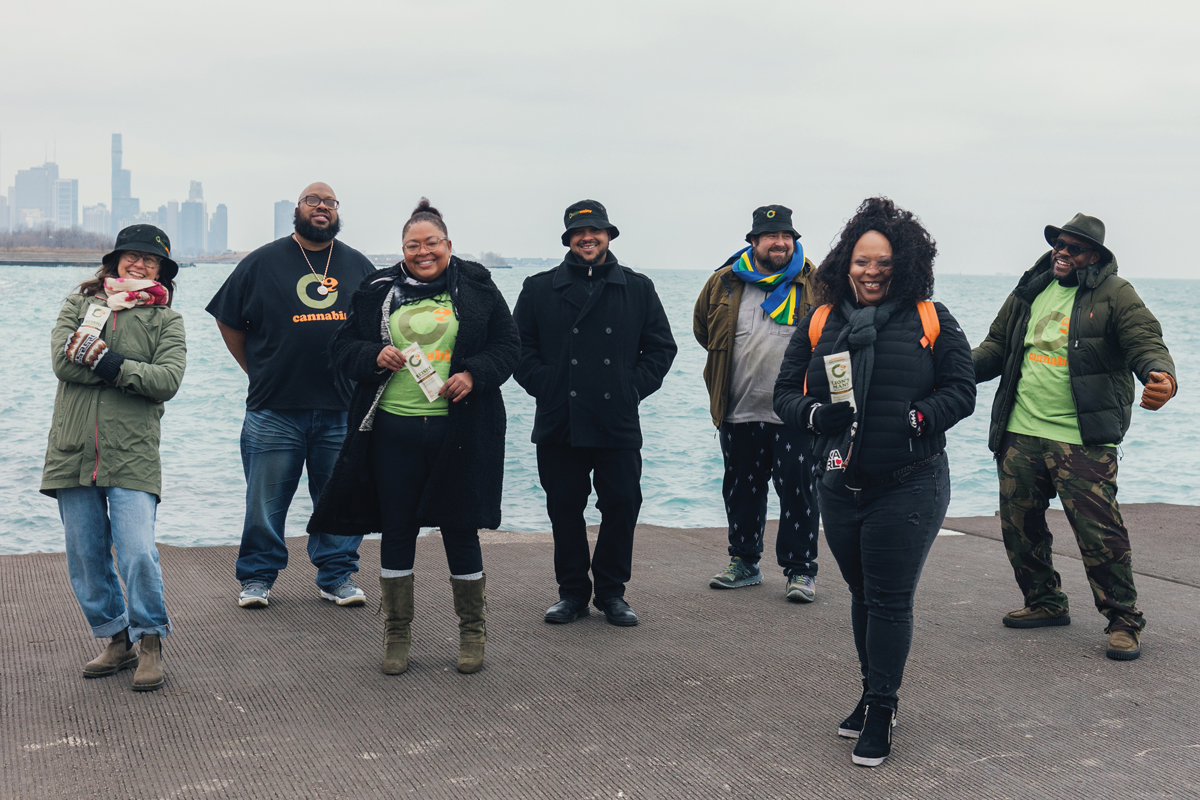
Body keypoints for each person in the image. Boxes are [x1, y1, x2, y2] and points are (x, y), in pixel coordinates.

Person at [774, 197, 976, 767]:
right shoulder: (821, 320)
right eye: (862, 261)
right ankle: (872, 693)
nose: (871, 272)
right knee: (863, 595)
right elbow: (785, 394)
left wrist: (920, 418)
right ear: (845, 263)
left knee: (888, 599)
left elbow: (961, 389)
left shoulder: (931, 318)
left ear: (904, 265)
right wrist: (816, 417)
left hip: (910, 481)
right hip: (839, 480)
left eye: (883, 263)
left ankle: (882, 707)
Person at [309, 199, 519, 674]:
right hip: (392, 429)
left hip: (459, 430)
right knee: (397, 529)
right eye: (412, 245)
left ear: (448, 245)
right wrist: (373, 354)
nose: (423, 252)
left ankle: (472, 632)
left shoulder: (479, 287)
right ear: (402, 249)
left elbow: (509, 346)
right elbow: (342, 347)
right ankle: (396, 633)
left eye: (431, 244)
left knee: (459, 529)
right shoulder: (377, 289)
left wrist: (474, 374)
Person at [973, 213, 1177, 662]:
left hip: (1081, 437)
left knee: (1099, 533)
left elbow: (1145, 341)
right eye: (1059, 245)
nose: (1062, 253)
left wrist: (1160, 377)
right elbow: (995, 347)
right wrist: (948, 372)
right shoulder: (1031, 288)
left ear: (1095, 257)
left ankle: (1124, 620)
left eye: (1074, 248)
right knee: (1018, 525)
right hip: (1021, 429)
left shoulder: (1115, 294)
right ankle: (1044, 601)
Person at [206, 183, 376, 608]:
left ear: (337, 212)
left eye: (330, 202)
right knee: (264, 504)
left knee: (339, 501)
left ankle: (337, 576)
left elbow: (380, 330)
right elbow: (228, 319)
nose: (322, 207)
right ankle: (257, 579)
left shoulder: (358, 265)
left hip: (342, 408)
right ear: (297, 210)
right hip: (274, 408)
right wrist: (256, 369)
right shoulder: (262, 262)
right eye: (313, 201)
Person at [513, 200, 677, 627]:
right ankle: (571, 593)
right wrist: (547, 386)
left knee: (622, 504)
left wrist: (630, 388)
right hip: (559, 417)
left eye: (596, 230)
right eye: (579, 232)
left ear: (608, 235)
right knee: (564, 508)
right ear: (568, 239)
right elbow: (518, 349)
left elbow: (661, 349)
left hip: (617, 417)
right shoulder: (538, 287)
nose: (588, 237)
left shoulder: (638, 288)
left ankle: (611, 593)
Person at [41, 224, 187, 692]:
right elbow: (63, 363)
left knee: (138, 552)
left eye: (150, 260)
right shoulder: (80, 305)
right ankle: (115, 638)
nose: (139, 265)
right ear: (115, 260)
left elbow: (166, 381)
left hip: (133, 453)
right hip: (72, 450)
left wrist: (104, 361)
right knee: (85, 556)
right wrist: (125, 373)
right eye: (132, 257)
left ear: (161, 268)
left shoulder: (168, 320)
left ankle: (150, 642)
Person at [693, 204, 821, 600]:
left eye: (786, 237)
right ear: (753, 241)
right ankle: (744, 562)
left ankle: (800, 570)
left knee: (798, 491)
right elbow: (703, 329)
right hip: (739, 407)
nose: (780, 243)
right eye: (771, 237)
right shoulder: (724, 282)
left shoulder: (816, 282)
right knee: (741, 490)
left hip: (796, 412)